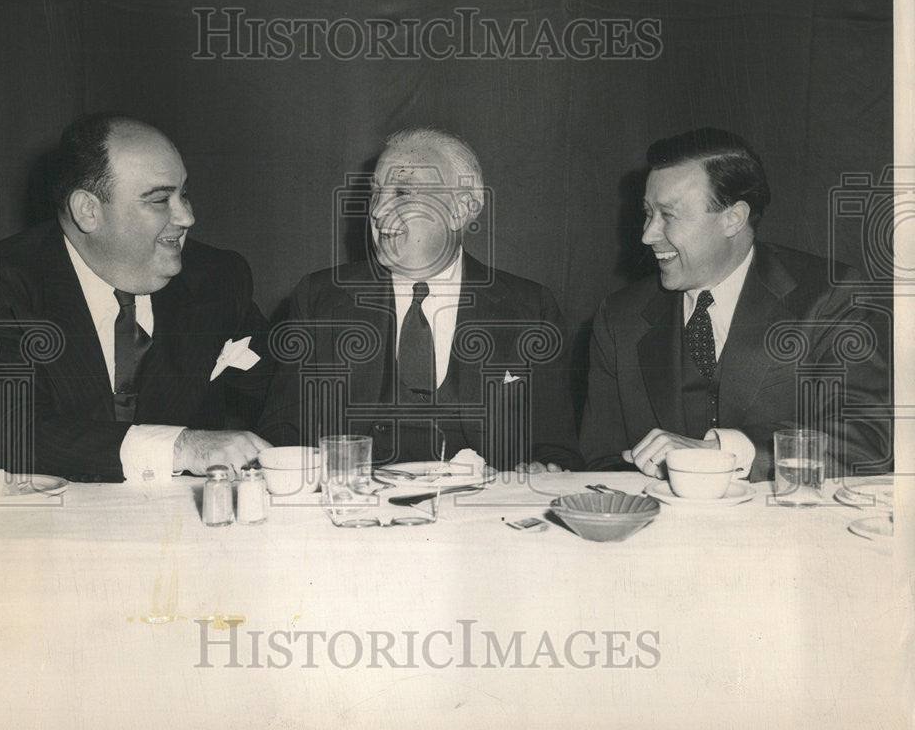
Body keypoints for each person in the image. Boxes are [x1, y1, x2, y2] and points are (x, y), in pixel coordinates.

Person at [0, 113, 273, 482]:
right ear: (88, 210)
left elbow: (284, 397)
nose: (186, 217)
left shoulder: (218, 278)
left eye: (184, 194)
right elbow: (19, 435)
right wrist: (184, 447)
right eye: (160, 200)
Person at [259, 127, 581, 472]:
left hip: (478, 516)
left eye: (401, 193)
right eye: (376, 193)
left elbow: (556, 449)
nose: (379, 212)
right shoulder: (320, 299)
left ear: (461, 209)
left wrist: (543, 469)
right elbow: (281, 434)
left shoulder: (530, 309)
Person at [579, 127, 891, 481]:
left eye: (668, 215)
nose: (647, 234)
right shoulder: (619, 318)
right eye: (648, 213)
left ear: (733, 219)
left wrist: (722, 452)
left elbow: (867, 443)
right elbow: (601, 463)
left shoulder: (830, 296)